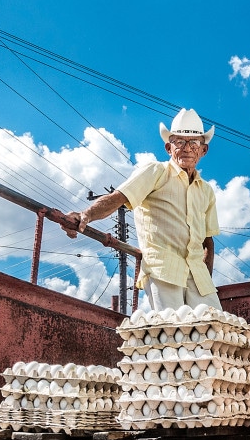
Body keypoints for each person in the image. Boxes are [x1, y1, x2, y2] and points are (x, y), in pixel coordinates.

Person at [64, 108, 221, 311]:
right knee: (175, 334)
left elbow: (208, 241)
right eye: (179, 142)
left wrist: (205, 280)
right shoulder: (155, 172)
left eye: (194, 143)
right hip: (164, 269)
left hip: (198, 277)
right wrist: (86, 214)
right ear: (168, 147)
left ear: (203, 150)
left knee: (216, 329)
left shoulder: (206, 191)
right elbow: (117, 198)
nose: (187, 149)